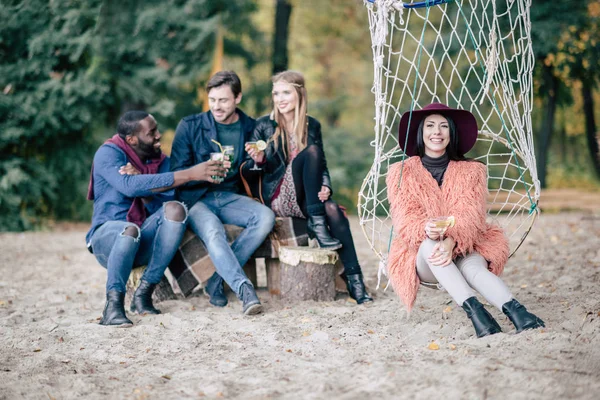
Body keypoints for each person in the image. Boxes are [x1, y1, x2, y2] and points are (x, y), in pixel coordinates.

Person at [385, 102, 545, 337]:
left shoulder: (472, 171)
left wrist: (452, 241)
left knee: (473, 270)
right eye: (430, 126)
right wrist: (426, 228)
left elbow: (471, 216)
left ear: (451, 133)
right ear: (421, 132)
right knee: (432, 247)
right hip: (424, 257)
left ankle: (518, 313)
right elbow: (406, 220)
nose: (436, 132)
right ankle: (478, 313)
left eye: (443, 126)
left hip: (467, 246)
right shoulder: (401, 172)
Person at [243, 70, 373, 304]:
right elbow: (256, 171)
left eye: (285, 93)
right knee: (310, 152)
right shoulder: (263, 125)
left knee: (332, 209)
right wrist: (259, 159)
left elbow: (321, 166)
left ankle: (356, 282)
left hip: (306, 197)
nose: (280, 99)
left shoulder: (312, 125)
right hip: (278, 195)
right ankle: (318, 223)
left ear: (299, 93)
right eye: (275, 94)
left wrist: (325, 186)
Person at [87, 111, 227, 327]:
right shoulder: (109, 153)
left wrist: (144, 184)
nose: (158, 135)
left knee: (176, 209)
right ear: (132, 139)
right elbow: (128, 186)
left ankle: (144, 292)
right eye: (151, 133)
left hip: (144, 239)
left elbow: (161, 204)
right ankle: (113, 307)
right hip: (108, 239)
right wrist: (191, 173)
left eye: (157, 129)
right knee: (129, 230)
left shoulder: (160, 161)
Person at [170, 71, 275, 315]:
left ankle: (217, 279)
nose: (217, 106)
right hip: (196, 199)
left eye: (224, 100)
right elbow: (176, 172)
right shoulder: (190, 126)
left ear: (238, 98)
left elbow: (261, 169)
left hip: (230, 196)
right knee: (214, 231)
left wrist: (259, 160)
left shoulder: (251, 127)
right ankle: (245, 290)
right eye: (213, 100)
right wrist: (201, 173)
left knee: (265, 218)